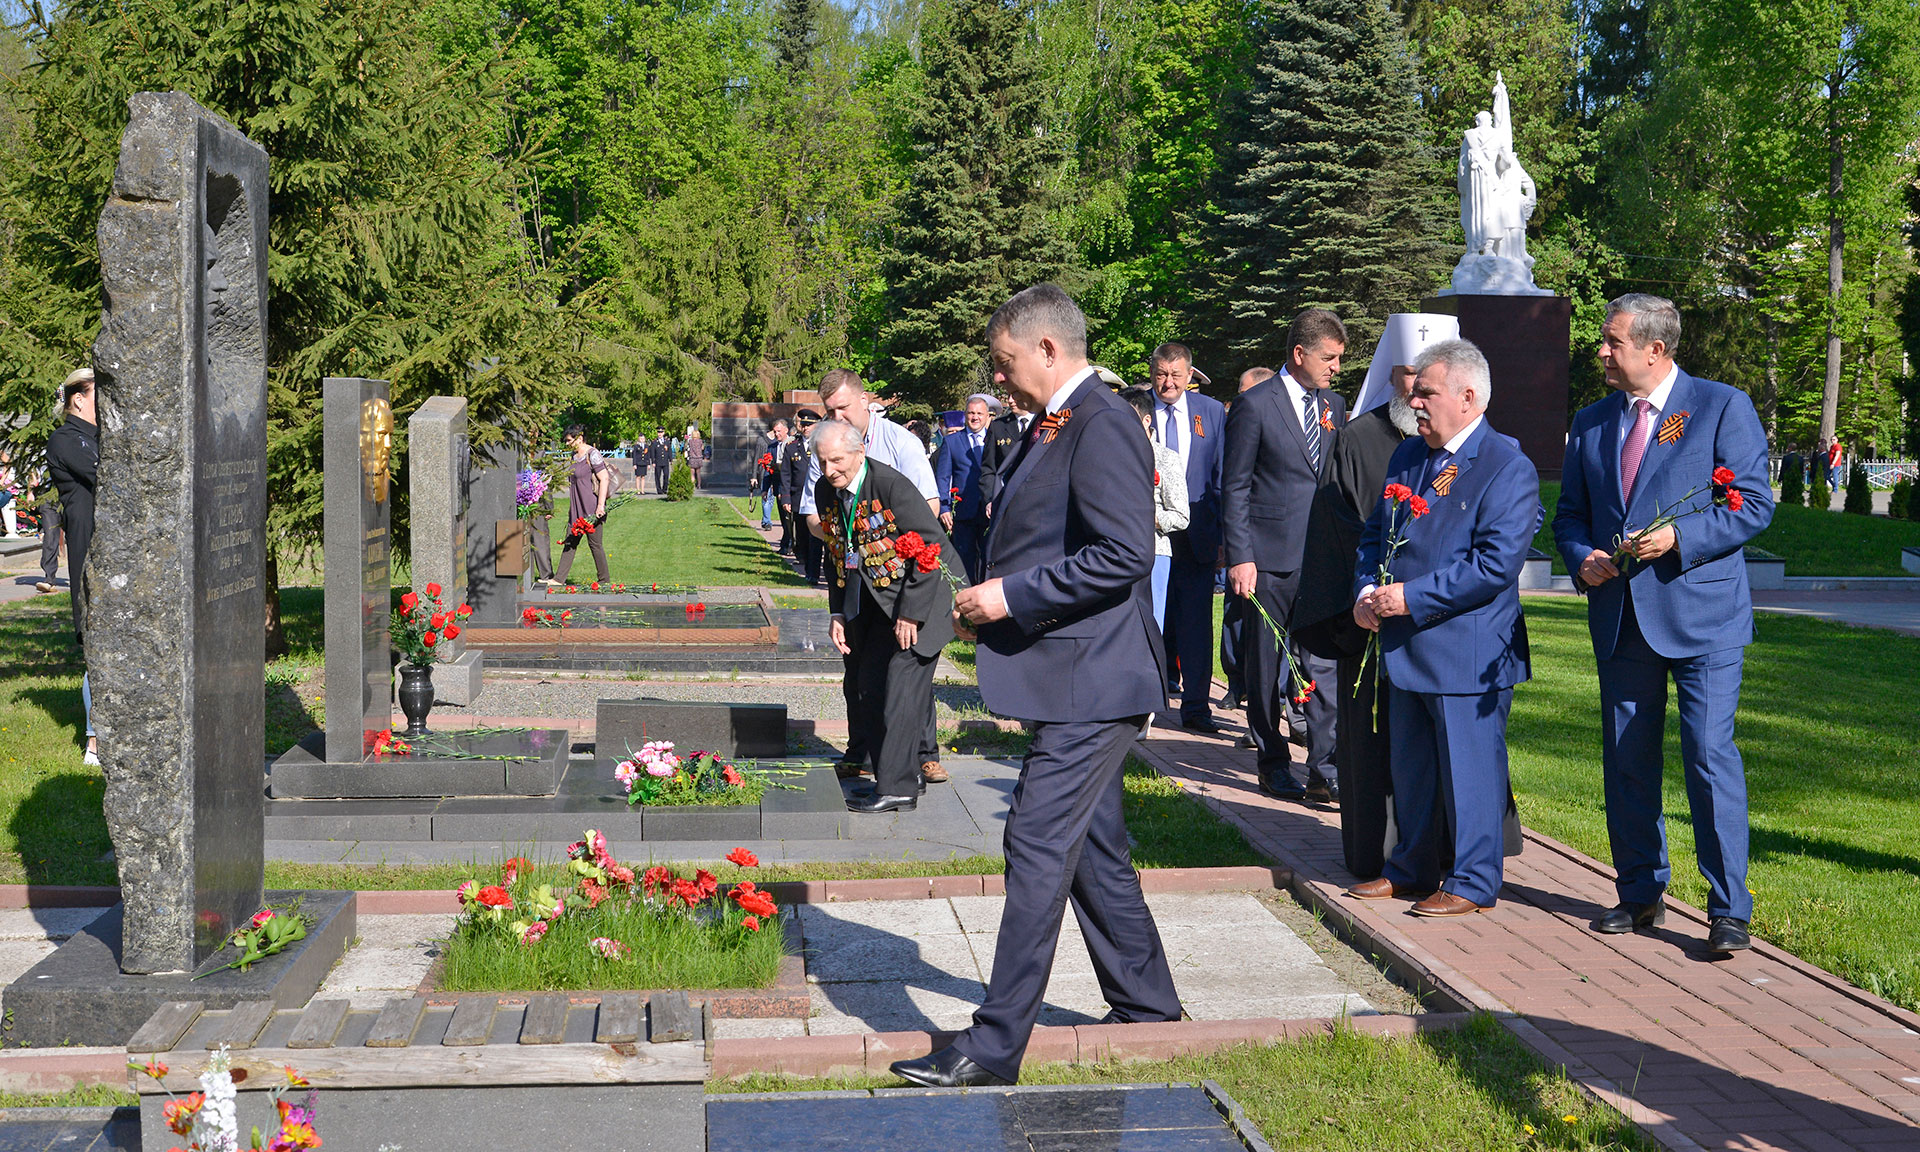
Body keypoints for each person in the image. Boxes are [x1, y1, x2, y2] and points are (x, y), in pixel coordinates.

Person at [892, 283, 1180, 1089]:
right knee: (1091, 850)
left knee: (1036, 840)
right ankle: (1149, 1006)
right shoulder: (1056, 420)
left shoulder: (1103, 421)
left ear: (1048, 348)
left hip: (1099, 677)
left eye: (1005, 360)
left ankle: (994, 1046)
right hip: (1070, 673)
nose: (999, 377)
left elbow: (1124, 553)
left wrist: (1010, 597)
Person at [1552, 293, 1773, 953]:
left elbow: (1753, 503)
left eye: (1612, 341)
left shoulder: (1721, 406)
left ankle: (1728, 909)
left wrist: (1680, 537)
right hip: (1621, 617)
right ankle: (1640, 893)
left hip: (1704, 616)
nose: (1600, 351)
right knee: (1628, 760)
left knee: (1707, 756)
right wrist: (1581, 558)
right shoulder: (1592, 421)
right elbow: (1569, 515)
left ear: (1655, 349)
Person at [1347, 339, 1538, 916]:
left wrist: (1410, 598)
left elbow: (1494, 565)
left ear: (1468, 397)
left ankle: (1473, 881)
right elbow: (1375, 535)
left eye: (1426, 392)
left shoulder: (1506, 465)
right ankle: (1411, 867)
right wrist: (1366, 592)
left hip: (1467, 651)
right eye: (1414, 391)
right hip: (1405, 646)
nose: (1414, 401)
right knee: (1412, 769)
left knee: (1470, 772)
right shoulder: (1409, 455)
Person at [1296, 315, 1453, 877]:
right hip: (1372, 621)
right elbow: (1338, 524)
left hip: (1443, 622)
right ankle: (1379, 853)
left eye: (1429, 376)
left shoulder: (1468, 445)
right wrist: (1372, 587)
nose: (1418, 388)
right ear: (1391, 375)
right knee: (1375, 741)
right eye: (1410, 374)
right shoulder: (1356, 438)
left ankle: (1449, 855)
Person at [1222, 310, 1346, 803]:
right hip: (1267, 559)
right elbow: (1235, 486)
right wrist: (1240, 556)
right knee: (1265, 665)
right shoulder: (1255, 405)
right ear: (1299, 353)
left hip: (1320, 560)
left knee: (1322, 663)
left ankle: (1324, 767)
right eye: (1329, 357)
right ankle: (1271, 761)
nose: (1336, 367)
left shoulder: (1334, 405)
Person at [797, 371, 944, 784]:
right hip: (855, 577)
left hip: (902, 577)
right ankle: (864, 751)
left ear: (864, 401)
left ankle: (921, 755)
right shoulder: (826, 453)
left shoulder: (900, 444)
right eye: (829, 411)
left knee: (904, 673)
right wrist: (848, 534)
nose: (837, 417)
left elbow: (927, 513)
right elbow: (817, 522)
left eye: (843, 408)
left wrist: (877, 538)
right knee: (861, 674)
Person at [814, 419, 957, 813]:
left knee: (899, 691)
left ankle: (897, 788)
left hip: (924, 600)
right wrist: (838, 612)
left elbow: (930, 549)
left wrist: (910, 614)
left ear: (859, 453)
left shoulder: (891, 485)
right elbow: (836, 553)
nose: (830, 470)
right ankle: (901, 774)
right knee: (870, 687)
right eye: (822, 461)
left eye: (837, 460)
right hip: (880, 604)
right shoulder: (827, 489)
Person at [1148, 343, 1228, 733]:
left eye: (1176, 375)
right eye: (1161, 374)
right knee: (1149, 621)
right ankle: (1142, 704)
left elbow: (1222, 475)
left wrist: (1224, 537)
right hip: (1149, 538)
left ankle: (1196, 707)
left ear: (1190, 375)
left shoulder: (1210, 412)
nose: (1168, 383)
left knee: (1196, 626)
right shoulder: (1135, 409)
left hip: (1197, 536)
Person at [47, 369, 99, 765]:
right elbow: (102, 474)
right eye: (99, 393)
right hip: (89, 546)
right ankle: (94, 742)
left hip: (109, 545)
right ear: (78, 399)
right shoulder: (66, 439)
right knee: (98, 644)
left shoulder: (97, 436)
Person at [1217, 368, 1270, 720]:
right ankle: (1235, 683)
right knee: (1234, 617)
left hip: (1272, 544)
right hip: (1240, 541)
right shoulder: (1235, 426)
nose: (1239, 399)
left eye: (1245, 393)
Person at [1119, 387, 1188, 629]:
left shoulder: (1166, 458)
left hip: (1154, 551)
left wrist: (1147, 517)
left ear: (1147, 420)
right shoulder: (1109, 454)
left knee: (1151, 622)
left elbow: (1181, 516)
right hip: (1113, 550)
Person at [933, 394, 996, 584]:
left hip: (989, 511)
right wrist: (944, 507)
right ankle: (965, 597)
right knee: (965, 561)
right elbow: (943, 477)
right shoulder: (952, 442)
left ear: (987, 416)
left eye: (979, 413)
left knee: (988, 560)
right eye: (971, 413)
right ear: (965, 415)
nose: (975, 417)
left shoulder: (995, 439)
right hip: (963, 512)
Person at [553, 424, 612, 584]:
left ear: (579, 438)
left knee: (595, 545)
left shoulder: (593, 454)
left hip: (591, 508)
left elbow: (604, 479)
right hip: (576, 508)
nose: (567, 444)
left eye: (569, 440)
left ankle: (604, 581)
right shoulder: (574, 456)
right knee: (570, 542)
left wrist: (600, 506)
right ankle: (558, 580)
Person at [977, 396, 1031, 516]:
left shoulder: (1044, 422)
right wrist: (990, 499)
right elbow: (988, 468)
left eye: (1015, 395)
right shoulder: (998, 426)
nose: (1010, 400)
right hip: (1006, 501)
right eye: (1008, 396)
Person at [790, 410, 824, 585]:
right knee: (812, 538)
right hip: (811, 496)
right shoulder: (794, 446)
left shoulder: (823, 443)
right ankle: (812, 572)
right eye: (803, 424)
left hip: (831, 495)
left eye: (809, 424)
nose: (805, 428)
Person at [769, 420, 799, 556]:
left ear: (786, 430)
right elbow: (768, 471)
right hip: (778, 487)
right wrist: (765, 489)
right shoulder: (772, 447)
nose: (776, 434)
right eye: (775, 431)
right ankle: (787, 543)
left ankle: (789, 544)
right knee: (783, 519)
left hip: (789, 488)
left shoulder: (792, 444)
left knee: (790, 520)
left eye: (779, 431)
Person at [648, 427, 673, 494]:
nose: (660, 434)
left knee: (666, 475)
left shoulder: (667, 441)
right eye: (659, 432)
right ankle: (659, 490)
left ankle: (665, 489)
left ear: (663, 433)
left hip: (665, 461)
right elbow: (652, 452)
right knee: (657, 476)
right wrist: (653, 461)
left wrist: (671, 459)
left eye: (661, 432)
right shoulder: (654, 442)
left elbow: (669, 451)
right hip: (658, 461)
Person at [685, 425, 707, 490]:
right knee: (698, 473)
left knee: (692, 473)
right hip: (699, 458)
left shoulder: (690, 441)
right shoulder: (700, 441)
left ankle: (692, 485)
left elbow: (686, 447)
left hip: (692, 458)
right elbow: (702, 448)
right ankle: (699, 485)